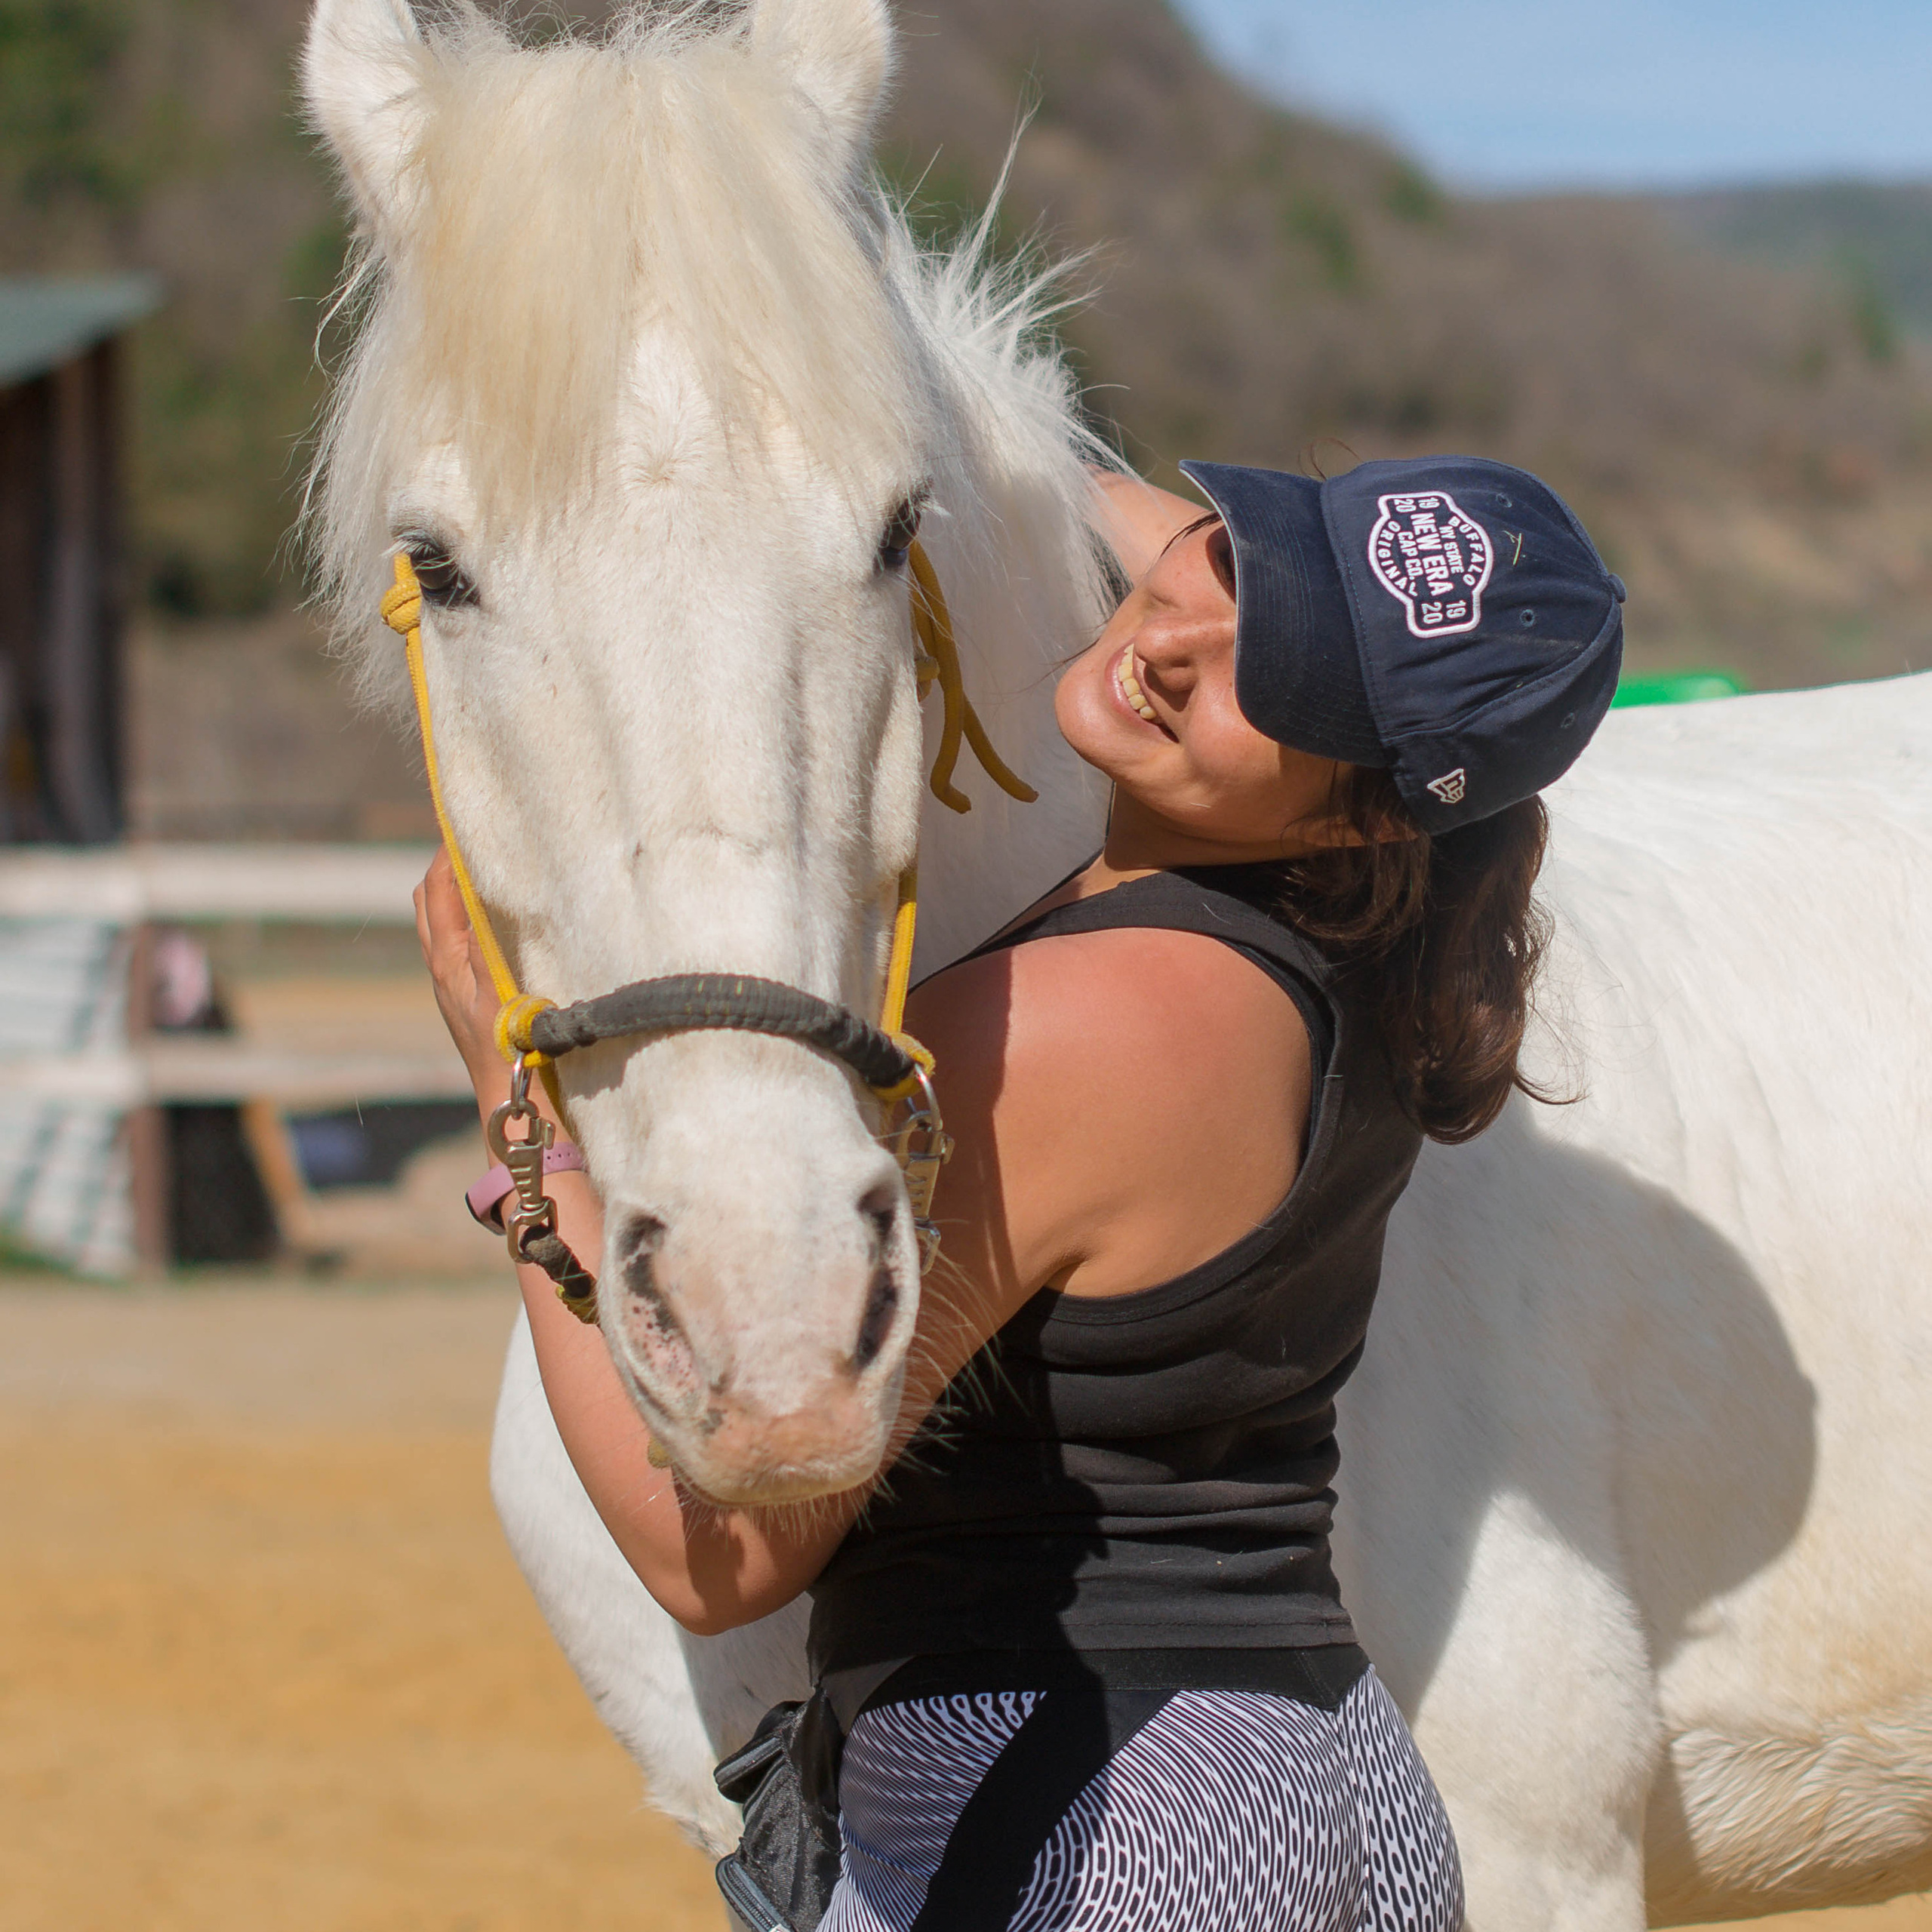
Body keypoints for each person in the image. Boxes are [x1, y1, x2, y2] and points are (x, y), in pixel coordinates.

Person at [417, 453, 1626, 1930]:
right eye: (1240, 565)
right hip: (1306, 1774)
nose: (1177, 643)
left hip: (1093, 1816)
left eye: (1285, 682)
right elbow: (1099, 503)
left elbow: (718, 1543)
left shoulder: (1061, 1033)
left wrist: (517, 1114)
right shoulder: (1340, 953)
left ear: (1360, 816)